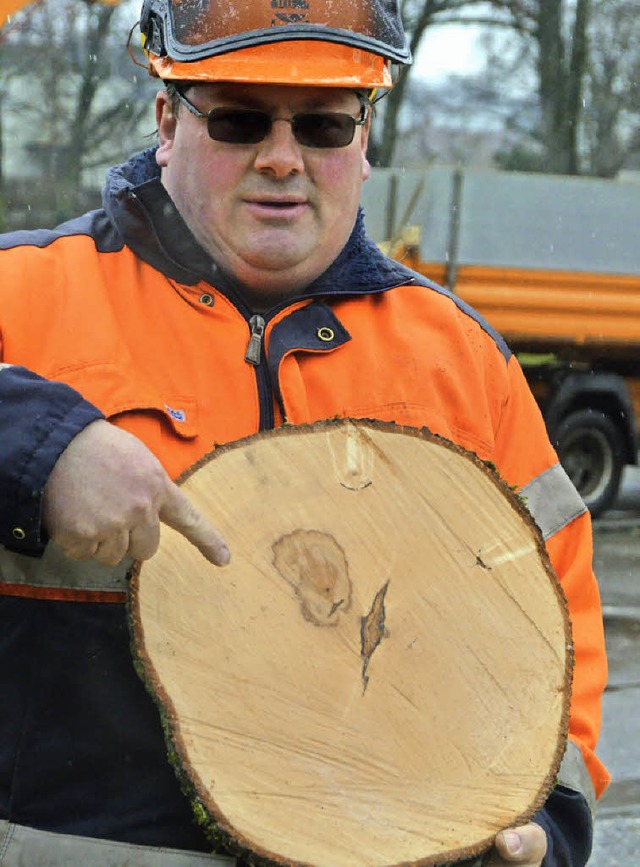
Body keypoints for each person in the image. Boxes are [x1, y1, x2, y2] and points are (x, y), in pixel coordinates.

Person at [0, 1, 609, 865]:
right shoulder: (23, 299)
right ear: (168, 121)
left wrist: (547, 825)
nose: (282, 159)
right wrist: (34, 446)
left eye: (323, 125)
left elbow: (566, 643)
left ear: (364, 141)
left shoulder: (461, 360)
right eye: (242, 119)